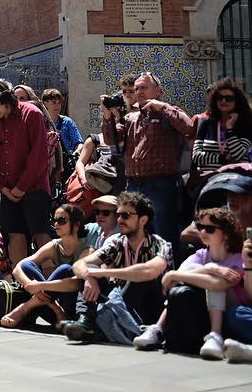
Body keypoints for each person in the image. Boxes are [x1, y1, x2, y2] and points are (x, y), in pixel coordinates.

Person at [135, 205, 249, 358]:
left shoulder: (237, 258)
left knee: (211, 282)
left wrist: (175, 275)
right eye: (201, 227)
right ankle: (158, 328)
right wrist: (209, 268)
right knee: (187, 281)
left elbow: (218, 285)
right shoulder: (200, 255)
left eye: (210, 229)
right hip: (205, 311)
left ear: (226, 234)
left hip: (231, 313)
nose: (202, 232)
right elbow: (173, 280)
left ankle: (215, 335)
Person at [64, 190, 171, 344]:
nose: (120, 220)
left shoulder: (160, 244)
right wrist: (89, 276)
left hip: (149, 306)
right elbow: (79, 264)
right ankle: (86, 321)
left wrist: (100, 273)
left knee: (138, 276)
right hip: (121, 300)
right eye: (119, 215)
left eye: (126, 215)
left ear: (143, 220)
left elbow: (150, 271)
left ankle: (103, 327)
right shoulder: (117, 242)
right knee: (88, 272)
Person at [102, 72, 193, 247]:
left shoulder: (169, 111)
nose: (139, 92)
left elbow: (188, 127)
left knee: (164, 235)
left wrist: (162, 107)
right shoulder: (131, 117)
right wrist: (108, 116)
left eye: (144, 87)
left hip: (161, 185)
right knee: (137, 237)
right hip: (134, 185)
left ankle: (168, 272)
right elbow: (111, 140)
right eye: (136, 89)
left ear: (158, 91)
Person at [0, 78, 52, 266]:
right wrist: (2, 188)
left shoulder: (32, 114)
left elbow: (38, 156)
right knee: (14, 235)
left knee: (40, 234)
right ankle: (20, 282)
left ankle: (51, 283)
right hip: (7, 191)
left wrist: (21, 187)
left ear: (7, 101)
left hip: (34, 188)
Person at [2, 203, 98, 329]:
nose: (56, 224)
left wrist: (40, 286)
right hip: (52, 310)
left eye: (61, 220)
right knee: (27, 266)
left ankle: (26, 307)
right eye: (54, 220)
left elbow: (76, 284)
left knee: (65, 270)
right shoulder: (55, 245)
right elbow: (18, 268)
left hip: (74, 308)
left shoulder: (87, 250)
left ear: (76, 225)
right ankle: (58, 310)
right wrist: (30, 286)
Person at [190, 79, 252, 192]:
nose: (223, 101)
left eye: (229, 98)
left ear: (237, 101)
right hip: (207, 184)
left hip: (235, 186)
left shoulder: (245, 125)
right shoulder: (207, 123)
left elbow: (238, 154)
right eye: (220, 97)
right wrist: (223, 158)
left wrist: (229, 128)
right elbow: (197, 157)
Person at [42, 89, 84, 155]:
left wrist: (77, 151)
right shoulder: (41, 122)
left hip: (66, 160)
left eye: (59, 102)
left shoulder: (67, 122)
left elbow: (79, 142)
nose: (57, 105)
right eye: (54, 102)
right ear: (45, 103)